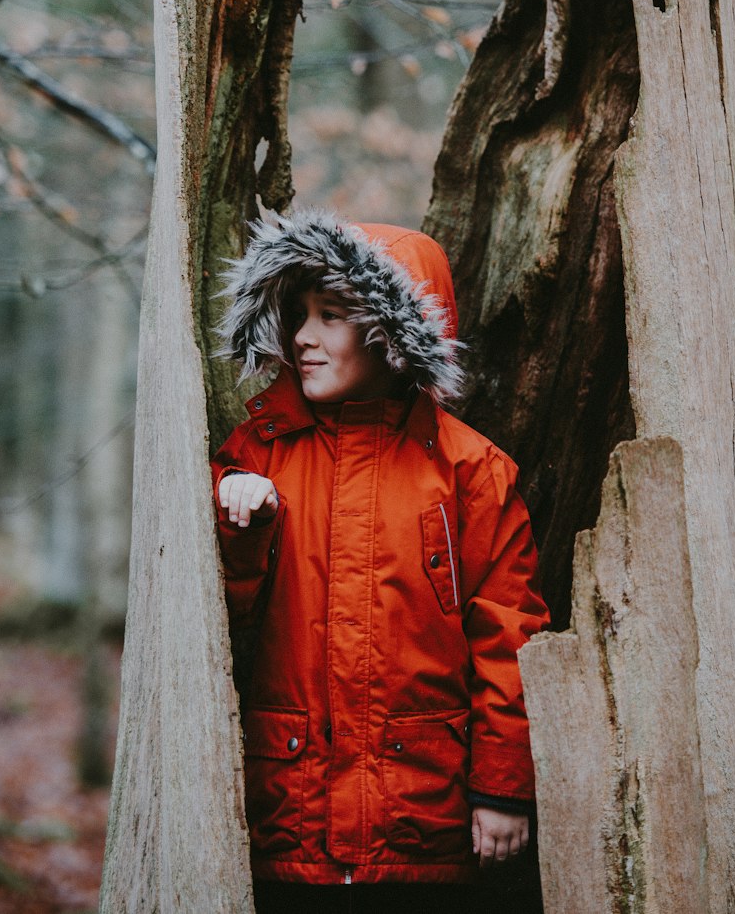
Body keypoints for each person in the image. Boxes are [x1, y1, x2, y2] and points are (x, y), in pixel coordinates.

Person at [212, 209, 550, 912]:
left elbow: (508, 635)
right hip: (286, 816)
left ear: (391, 335)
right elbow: (217, 622)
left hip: (423, 822)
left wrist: (503, 790)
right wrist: (238, 524)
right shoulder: (257, 454)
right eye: (296, 314)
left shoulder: (471, 472)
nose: (302, 336)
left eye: (330, 315)